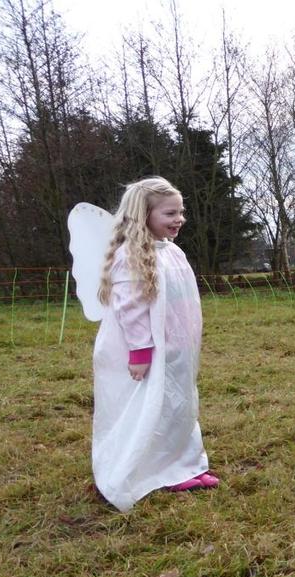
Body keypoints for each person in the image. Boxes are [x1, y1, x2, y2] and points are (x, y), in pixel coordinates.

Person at [92, 177, 217, 512]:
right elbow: (130, 310)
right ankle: (149, 468)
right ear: (143, 215)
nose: (179, 219)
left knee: (180, 406)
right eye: (169, 213)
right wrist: (141, 351)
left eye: (181, 212)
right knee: (154, 409)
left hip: (176, 350)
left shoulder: (172, 252)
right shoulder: (130, 256)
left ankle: (183, 464)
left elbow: (180, 301)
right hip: (147, 353)